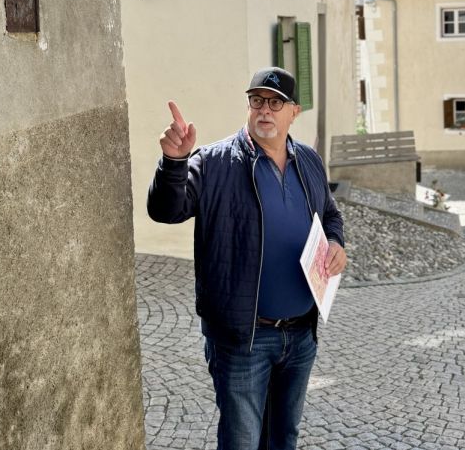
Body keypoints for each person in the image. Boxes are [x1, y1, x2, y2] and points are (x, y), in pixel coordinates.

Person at [147, 67, 347, 450]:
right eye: (257, 101)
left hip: (302, 333)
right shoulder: (214, 162)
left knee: (284, 437)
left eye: (275, 103)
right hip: (244, 338)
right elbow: (167, 210)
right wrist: (174, 162)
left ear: (294, 112)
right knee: (242, 442)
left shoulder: (308, 160)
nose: (265, 110)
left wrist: (336, 243)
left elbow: (331, 215)